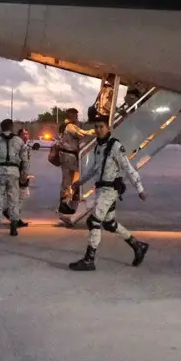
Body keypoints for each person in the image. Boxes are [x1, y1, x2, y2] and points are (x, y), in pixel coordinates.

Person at [68, 114, 149, 272]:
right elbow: (94, 169)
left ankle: (89, 259)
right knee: (109, 223)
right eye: (96, 127)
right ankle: (137, 245)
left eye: (101, 127)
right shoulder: (99, 147)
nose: (98, 130)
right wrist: (81, 181)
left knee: (93, 221)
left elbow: (128, 167)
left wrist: (140, 189)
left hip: (110, 190)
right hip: (101, 190)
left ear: (108, 128)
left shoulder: (115, 146)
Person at [0, 119, 27, 237]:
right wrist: (25, 173)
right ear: (12, 127)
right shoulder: (19, 141)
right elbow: (25, 159)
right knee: (13, 199)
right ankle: (13, 228)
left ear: (1, 127)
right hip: (14, 172)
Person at [55, 108, 95, 214]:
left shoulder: (64, 125)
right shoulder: (70, 126)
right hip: (68, 155)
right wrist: (96, 131)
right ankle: (65, 202)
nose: (77, 117)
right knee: (72, 178)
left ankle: (66, 201)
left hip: (66, 155)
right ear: (71, 115)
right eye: (76, 115)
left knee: (68, 179)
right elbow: (81, 134)